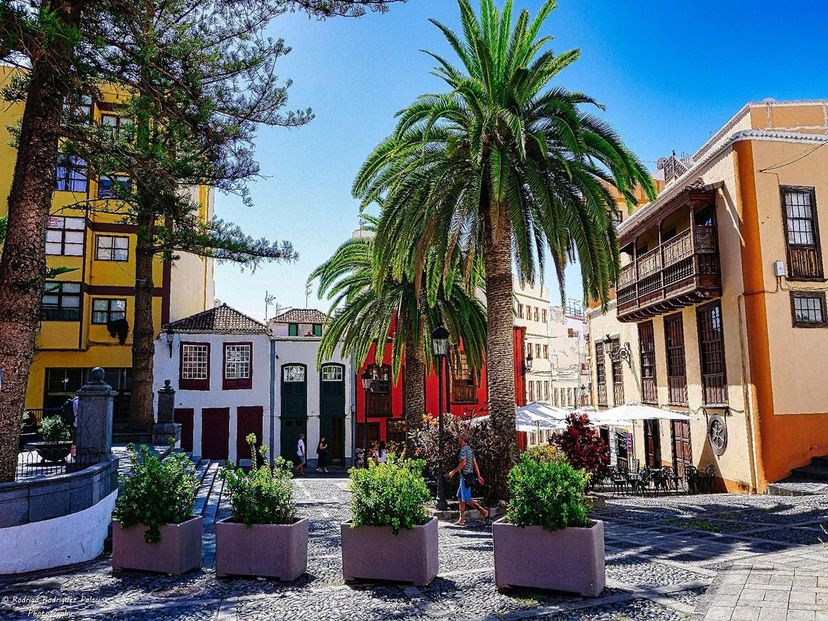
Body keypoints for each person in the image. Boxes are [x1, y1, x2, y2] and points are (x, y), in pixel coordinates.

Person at [448, 433, 489, 526]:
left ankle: (484, 512)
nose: (458, 440)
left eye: (459, 439)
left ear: (462, 439)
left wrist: (453, 472)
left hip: (465, 478)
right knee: (460, 497)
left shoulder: (463, 450)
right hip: (468, 476)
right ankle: (461, 519)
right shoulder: (470, 449)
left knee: (467, 499)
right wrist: (478, 476)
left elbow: (463, 463)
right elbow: (475, 463)